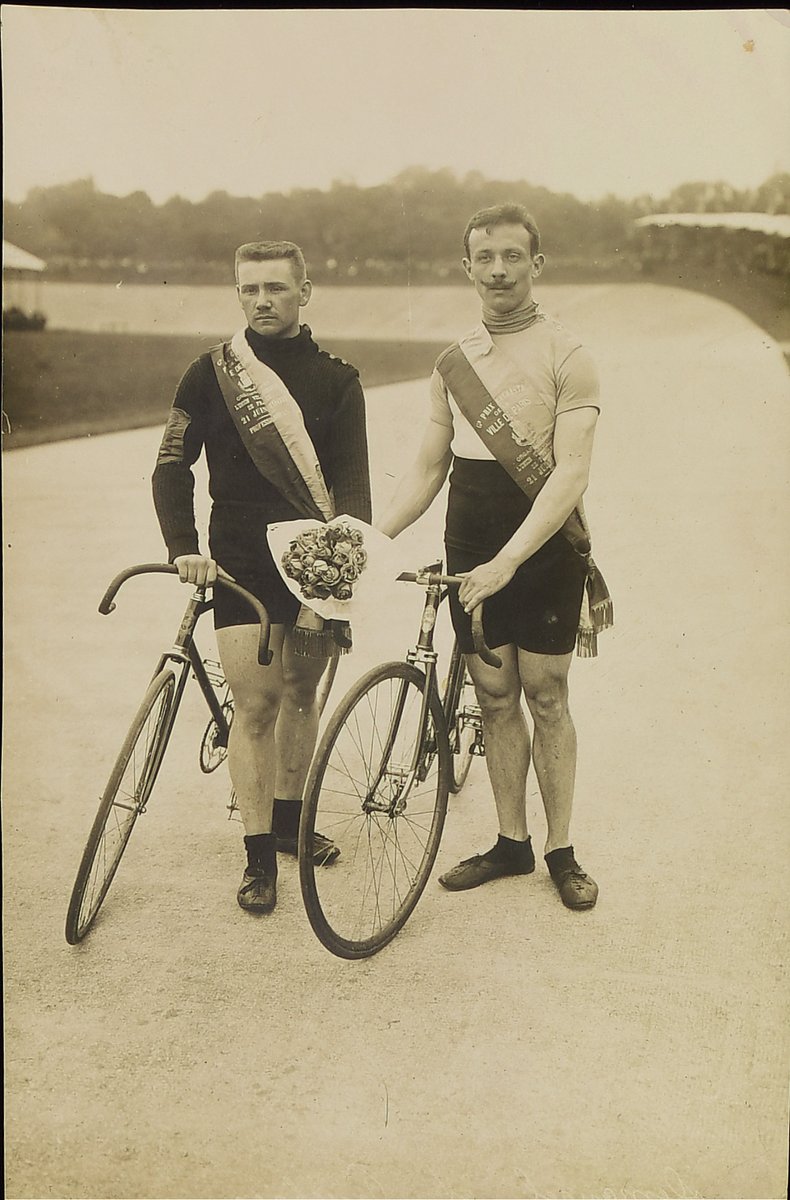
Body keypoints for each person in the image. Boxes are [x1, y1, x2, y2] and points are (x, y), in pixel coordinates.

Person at [377, 204, 612, 910]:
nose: (500, 270)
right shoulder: (453, 363)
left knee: (546, 694)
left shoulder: (568, 353)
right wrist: (369, 538)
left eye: (515, 256)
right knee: (495, 694)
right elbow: (427, 468)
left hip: (540, 548)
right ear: (468, 266)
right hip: (470, 542)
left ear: (536, 265)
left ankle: (560, 850)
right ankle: (510, 843)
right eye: (487, 257)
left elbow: (569, 475)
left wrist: (510, 560)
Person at [152, 240, 372, 915]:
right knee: (255, 706)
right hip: (238, 559)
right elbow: (169, 467)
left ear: (304, 293)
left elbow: (354, 494)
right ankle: (256, 856)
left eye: (276, 288)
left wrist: (328, 592)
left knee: (301, 696)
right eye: (249, 289)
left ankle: (287, 821)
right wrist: (185, 548)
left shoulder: (339, 381)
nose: (261, 300)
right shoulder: (210, 374)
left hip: (312, 561)